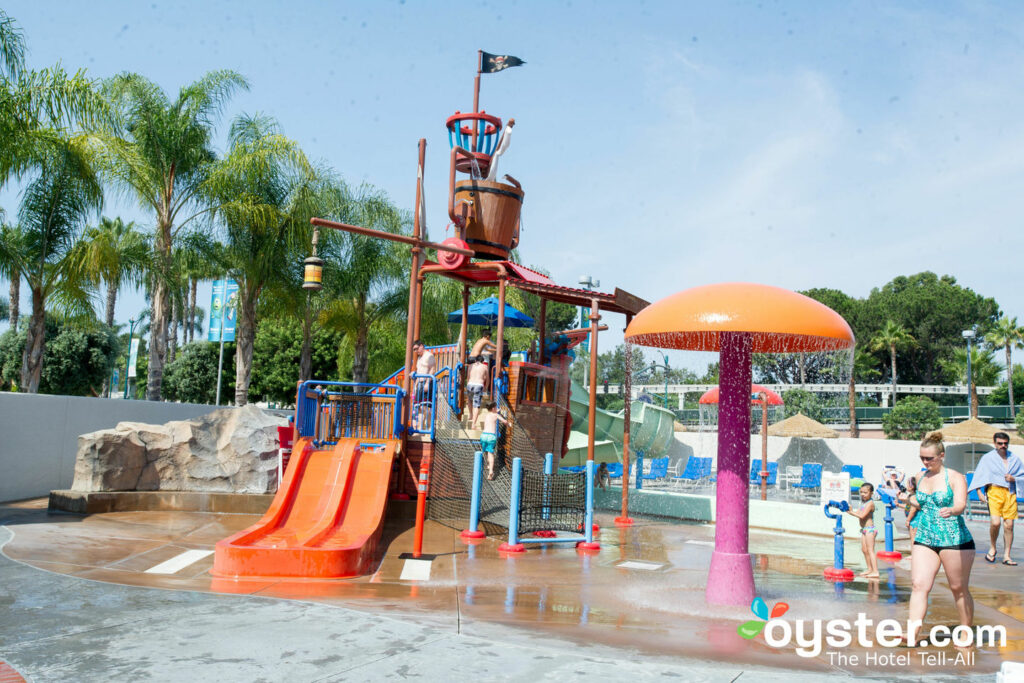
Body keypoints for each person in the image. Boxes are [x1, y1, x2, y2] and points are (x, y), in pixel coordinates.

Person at [907, 431, 974, 647]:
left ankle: (965, 632)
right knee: (919, 585)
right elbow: (920, 502)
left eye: (929, 458)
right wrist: (907, 498)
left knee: (958, 588)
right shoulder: (920, 477)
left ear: (941, 455)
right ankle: (912, 633)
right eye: (922, 458)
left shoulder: (955, 477)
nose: (925, 462)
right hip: (925, 536)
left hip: (954, 538)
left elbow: (961, 504)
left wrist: (952, 510)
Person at [968, 432, 1024, 565]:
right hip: (994, 490)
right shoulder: (987, 458)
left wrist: (1014, 479)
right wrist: (979, 492)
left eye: (1005, 443)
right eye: (1000, 443)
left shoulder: (1015, 459)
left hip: (1010, 492)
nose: (1003, 446)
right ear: (995, 444)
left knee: (1009, 525)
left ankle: (1007, 555)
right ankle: (993, 548)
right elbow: (980, 475)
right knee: (995, 523)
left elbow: (1022, 475)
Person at [847, 482, 879, 578]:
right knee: (864, 550)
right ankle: (869, 569)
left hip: (870, 530)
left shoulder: (870, 504)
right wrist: (850, 510)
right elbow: (858, 512)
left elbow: (862, 515)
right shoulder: (863, 503)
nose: (862, 494)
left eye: (865, 493)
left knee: (870, 550)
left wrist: (851, 512)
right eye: (861, 492)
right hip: (864, 530)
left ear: (871, 493)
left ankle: (875, 571)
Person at [480, 401, 508, 480]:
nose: (497, 409)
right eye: (496, 407)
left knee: (485, 450)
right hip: (491, 436)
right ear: (493, 408)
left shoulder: (487, 415)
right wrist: (508, 424)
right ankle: (491, 471)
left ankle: (488, 464)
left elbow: (492, 413)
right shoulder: (496, 415)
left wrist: (496, 410)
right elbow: (504, 421)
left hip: (484, 435)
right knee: (490, 453)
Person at [412, 340, 435, 429]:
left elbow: (432, 370)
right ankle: (428, 426)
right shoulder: (419, 358)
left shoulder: (429, 356)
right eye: (414, 350)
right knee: (418, 406)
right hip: (419, 384)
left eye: (416, 349)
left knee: (424, 406)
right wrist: (415, 386)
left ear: (421, 346)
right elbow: (419, 372)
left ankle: (420, 428)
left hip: (426, 383)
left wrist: (427, 383)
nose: (415, 351)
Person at [465, 356, 488, 427]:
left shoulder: (471, 366)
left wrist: (467, 385)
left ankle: (471, 415)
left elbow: (468, 377)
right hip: (478, 385)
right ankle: (474, 424)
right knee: (476, 405)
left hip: (470, 384)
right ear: (483, 361)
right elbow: (487, 379)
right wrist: (486, 387)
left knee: (469, 400)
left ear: (475, 360)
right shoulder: (484, 366)